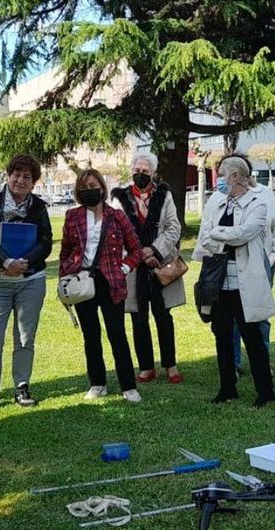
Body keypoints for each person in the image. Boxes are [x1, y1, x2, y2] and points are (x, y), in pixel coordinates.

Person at [0, 154, 54, 413]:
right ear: (8, 175)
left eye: (27, 177)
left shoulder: (38, 207)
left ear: (33, 183)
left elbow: (46, 241)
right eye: (16, 174)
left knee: (25, 337)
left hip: (30, 280)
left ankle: (22, 385)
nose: (20, 180)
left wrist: (25, 262)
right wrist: (6, 261)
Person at [195, 156, 275, 406]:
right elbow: (204, 237)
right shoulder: (217, 202)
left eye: (222, 174)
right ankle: (227, 388)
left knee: (252, 337)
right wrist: (221, 236)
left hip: (245, 284)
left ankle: (265, 392)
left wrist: (218, 234)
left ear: (235, 177)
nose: (218, 179)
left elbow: (243, 235)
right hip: (221, 282)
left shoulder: (258, 203)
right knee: (221, 336)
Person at [60, 169, 144, 402]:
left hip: (111, 282)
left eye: (93, 186)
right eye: (85, 187)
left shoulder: (116, 216)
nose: (90, 190)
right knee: (91, 335)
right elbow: (65, 250)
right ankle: (97, 383)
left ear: (102, 188)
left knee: (117, 334)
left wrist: (124, 268)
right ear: (78, 191)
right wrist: (64, 280)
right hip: (82, 282)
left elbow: (136, 249)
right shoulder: (72, 216)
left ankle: (128, 386)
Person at [109, 152, 185, 384]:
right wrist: (140, 256)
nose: (140, 174)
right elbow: (116, 232)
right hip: (133, 267)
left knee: (164, 316)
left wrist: (153, 251)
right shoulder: (119, 198)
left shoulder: (164, 195)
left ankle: (170, 365)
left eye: (146, 171)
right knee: (138, 318)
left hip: (161, 264)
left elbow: (173, 228)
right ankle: (145, 366)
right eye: (137, 170)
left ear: (153, 173)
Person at [232, 155, 275, 375]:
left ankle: (262, 361)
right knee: (233, 318)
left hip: (262, 265)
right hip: (232, 266)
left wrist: (273, 257)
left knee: (260, 316)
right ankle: (233, 363)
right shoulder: (221, 197)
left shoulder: (264, 194)